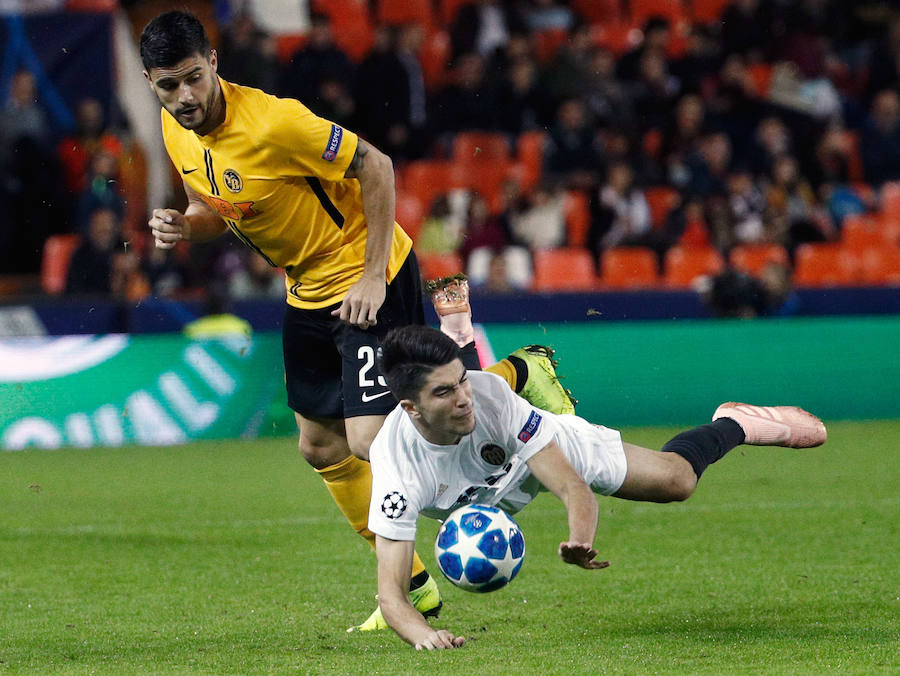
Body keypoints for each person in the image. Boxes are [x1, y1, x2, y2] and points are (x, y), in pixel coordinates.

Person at [139, 10, 575, 633]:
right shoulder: (174, 127)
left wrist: (372, 275)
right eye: (167, 85)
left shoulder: (276, 122)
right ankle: (416, 588)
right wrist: (187, 226)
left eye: (191, 79)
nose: (183, 97)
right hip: (306, 288)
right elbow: (216, 203)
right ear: (151, 82)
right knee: (319, 445)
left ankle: (514, 374)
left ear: (213, 63)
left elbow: (377, 167)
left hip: (366, 275)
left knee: (371, 440)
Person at [367, 325, 827, 650]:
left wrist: (580, 537)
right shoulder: (395, 465)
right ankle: (458, 322)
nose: (464, 397)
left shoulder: (489, 397)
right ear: (411, 407)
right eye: (445, 393)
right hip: (473, 494)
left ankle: (736, 423)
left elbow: (570, 485)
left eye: (461, 380)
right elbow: (392, 595)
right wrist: (424, 636)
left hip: (532, 458)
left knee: (677, 481)